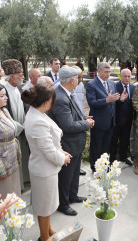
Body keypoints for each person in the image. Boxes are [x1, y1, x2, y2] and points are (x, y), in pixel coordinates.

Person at [22, 83, 71, 241]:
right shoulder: (37, 120)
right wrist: (62, 158)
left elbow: (50, 143)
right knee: (44, 207)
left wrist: (62, 152)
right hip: (44, 169)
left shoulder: (37, 113)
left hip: (46, 168)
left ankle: (49, 230)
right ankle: (44, 238)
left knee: (48, 204)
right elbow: (48, 151)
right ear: (46, 102)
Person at [49, 66, 93, 216]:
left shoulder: (66, 93)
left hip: (75, 143)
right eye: (78, 78)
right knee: (66, 176)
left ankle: (73, 196)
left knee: (74, 173)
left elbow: (72, 118)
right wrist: (86, 124)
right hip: (68, 143)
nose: (79, 81)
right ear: (72, 80)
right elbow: (67, 126)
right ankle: (63, 203)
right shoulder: (60, 98)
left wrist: (83, 119)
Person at [2, 59, 30, 190]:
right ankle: (20, 186)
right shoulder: (4, 90)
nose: (22, 76)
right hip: (15, 130)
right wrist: (20, 128)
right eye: (20, 74)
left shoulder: (18, 88)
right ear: (12, 76)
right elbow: (4, 113)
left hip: (23, 128)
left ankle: (26, 180)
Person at [86, 62, 119, 172]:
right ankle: (95, 168)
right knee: (96, 146)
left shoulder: (111, 83)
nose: (108, 74)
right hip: (98, 123)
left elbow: (112, 100)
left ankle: (105, 166)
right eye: (106, 72)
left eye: (109, 72)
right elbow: (92, 103)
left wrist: (120, 99)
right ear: (98, 71)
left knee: (106, 147)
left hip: (110, 121)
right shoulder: (91, 84)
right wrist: (106, 100)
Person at [110, 68, 136, 166]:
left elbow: (135, 105)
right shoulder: (114, 86)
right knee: (114, 140)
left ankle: (123, 157)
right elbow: (111, 103)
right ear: (121, 76)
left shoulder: (133, 88)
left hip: (128, 120)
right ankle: (112, 159)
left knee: (125, 140)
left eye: (129, 76)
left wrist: (135, 118)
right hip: (116, 120)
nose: (127, 78)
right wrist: (119, 100)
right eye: (125, 76)